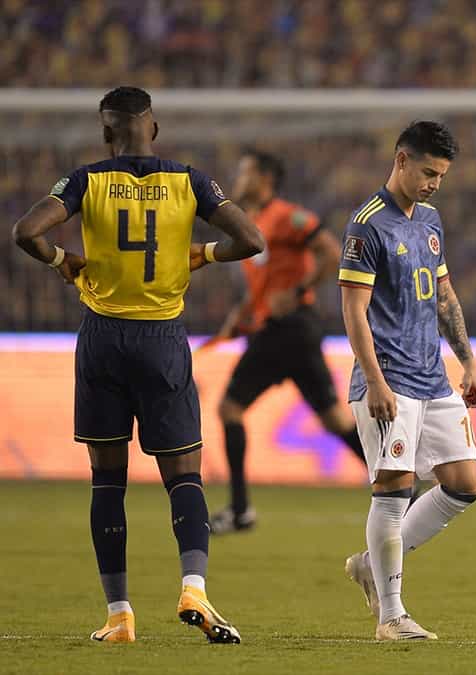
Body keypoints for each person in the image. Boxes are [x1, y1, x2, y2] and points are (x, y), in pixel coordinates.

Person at [10, 86, 265, 644]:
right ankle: (193, 587)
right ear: (154, 128)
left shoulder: (86, 180)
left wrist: (61, 258)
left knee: (107, 480)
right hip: (162, 340)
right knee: (184, 474)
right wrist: (205, 253)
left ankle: (119, 615)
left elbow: (26, 232)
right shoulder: (190, 181)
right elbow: (251, 239)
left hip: (103, 338)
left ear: (107, 133)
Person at [337, 121, 476, 641]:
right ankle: (391, 616)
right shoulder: (367, 226)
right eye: (427, 172)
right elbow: (353, 310)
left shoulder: (430, 220)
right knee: (393, 490)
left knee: (464, 484)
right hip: (390, 380)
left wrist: (467, 362)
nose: (434, 184)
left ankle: (369, 563)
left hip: (433, 377)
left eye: (440, 175)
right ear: (401, 160)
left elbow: (443, 296)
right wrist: (375, 382)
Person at [208, 149, 366, 534]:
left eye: (245, 172)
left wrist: (297, 292)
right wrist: (243, 312)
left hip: (288, 328)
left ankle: (240, 510)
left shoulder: (286, 216)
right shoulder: (251, 223)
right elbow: (264, 285)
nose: (239, 178)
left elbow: (331, 253)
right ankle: (401, 487)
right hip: (288, 330)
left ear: (265, 178)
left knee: (230, 409)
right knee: (334, 419)